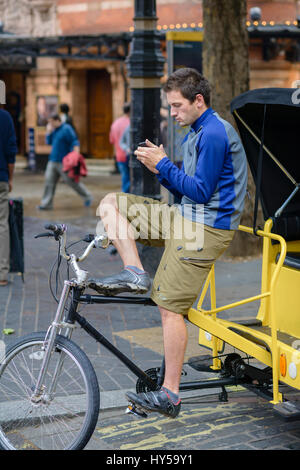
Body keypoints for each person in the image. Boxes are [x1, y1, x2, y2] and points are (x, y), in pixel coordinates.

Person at [92, 67, 248, 418]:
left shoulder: (213, 133)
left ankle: (171, 395)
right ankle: (134, 270)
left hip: (206, 229)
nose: (172, 113)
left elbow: (202, 192)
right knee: (110, 204)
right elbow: (184, 191)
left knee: (168, 306)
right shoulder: (196, 131)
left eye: (176, 106)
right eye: (170, 107)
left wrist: (163, 165)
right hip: (186, 218)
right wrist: (162, 170)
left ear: (198, 100)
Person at [38, 114, 92, 210]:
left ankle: (87, 196)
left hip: (64, 162)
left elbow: (74, 142)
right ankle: (46, 204)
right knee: (49, 182)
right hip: (52, 160)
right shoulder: (53, 130)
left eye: (51, 122)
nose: (50, 124)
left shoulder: (67, 129)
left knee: (71, 182)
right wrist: (48, 132)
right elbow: (48, 142)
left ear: (57, 120)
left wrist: (76, 157)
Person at [0, 108, 17, 286]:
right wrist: (10, 178)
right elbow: (11, 152)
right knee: (2, 224)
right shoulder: (5, 117)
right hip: (1, 177)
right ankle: (1, 273)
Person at [109, 103, 130, 193]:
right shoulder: (131, 122)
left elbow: (111, 140)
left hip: (119, 155)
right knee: (130, 180)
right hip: (129, 155)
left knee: (125, 178)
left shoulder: (115, 123)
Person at [118, 124, 130, 193]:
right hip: (128, 156)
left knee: (126, 176)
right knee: (126, 177)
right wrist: (127, 148)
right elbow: (121, 142)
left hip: (121, 157)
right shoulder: (128, 127)